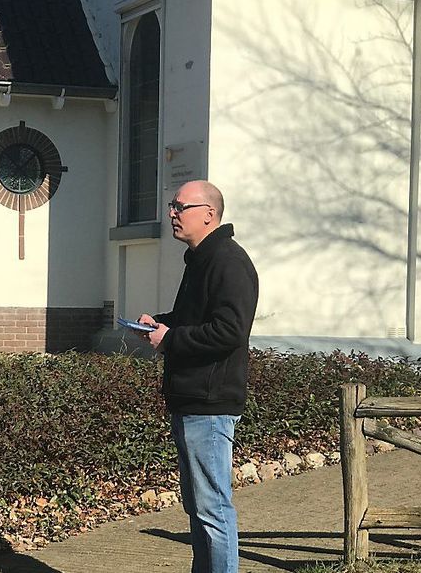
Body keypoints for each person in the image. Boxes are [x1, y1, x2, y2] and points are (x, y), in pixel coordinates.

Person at [138, 180, 259, 573]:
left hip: (209, 403)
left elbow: (229, 331)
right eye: (171, 205)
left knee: (213, 508)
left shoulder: (227, 262)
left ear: (209, 213)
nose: (171, 213)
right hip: (190, 399)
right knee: (198, 506)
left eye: (180, 206)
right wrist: (160, 323)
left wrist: (171, 338)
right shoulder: (200, 260)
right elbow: (197, 322)